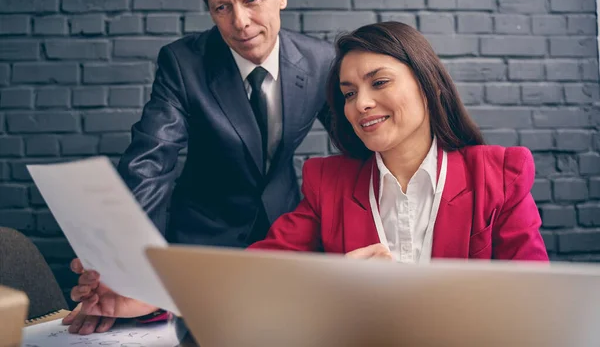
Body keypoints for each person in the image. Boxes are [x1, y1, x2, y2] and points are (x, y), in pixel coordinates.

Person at [68, 21, 549, 330]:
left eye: (379, 82)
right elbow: (253, 273)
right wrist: (149, 295)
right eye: (346, 92)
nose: (360, 104)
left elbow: (535, 311)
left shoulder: (499, 175)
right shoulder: (329, 183)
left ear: (427, 83)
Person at [64, 0, 334, 334]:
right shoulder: (182, 62)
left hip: (286, 239)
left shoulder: (321, 60)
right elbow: (150, 160)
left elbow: (358, 146)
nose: (240, 22)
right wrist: (130, 269)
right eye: (221, 7)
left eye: (252, 0)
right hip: (202, 245)